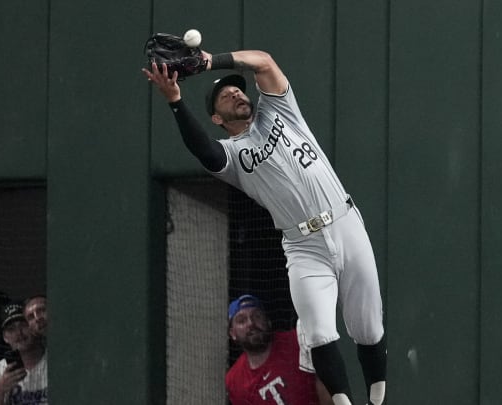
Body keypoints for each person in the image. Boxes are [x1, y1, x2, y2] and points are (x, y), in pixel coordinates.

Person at [142, 46, 387, 405]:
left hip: (345, 221)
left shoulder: (280, 110)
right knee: (319, 333)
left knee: (369, 328)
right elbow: (203, 151)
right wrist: (176, 100)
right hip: (303, 247)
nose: (236, 94)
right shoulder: (232, 155)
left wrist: (213, 62)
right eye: (225, 95)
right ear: (217, 118)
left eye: (238, 90)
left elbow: (265, 61)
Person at [226, 294, 333, 405]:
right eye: (242, 320)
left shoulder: (297, 341)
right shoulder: (234, 381)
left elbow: (329, 386)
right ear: (232, 333)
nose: (251, 323)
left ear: (267, 321)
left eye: (256, 316)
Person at [0, 302, 48, 405]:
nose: (19, 333)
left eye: (23, 325)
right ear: (5, 338)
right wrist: (0, 389)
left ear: (33, 326)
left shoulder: (55, 360)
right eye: (11, 329)